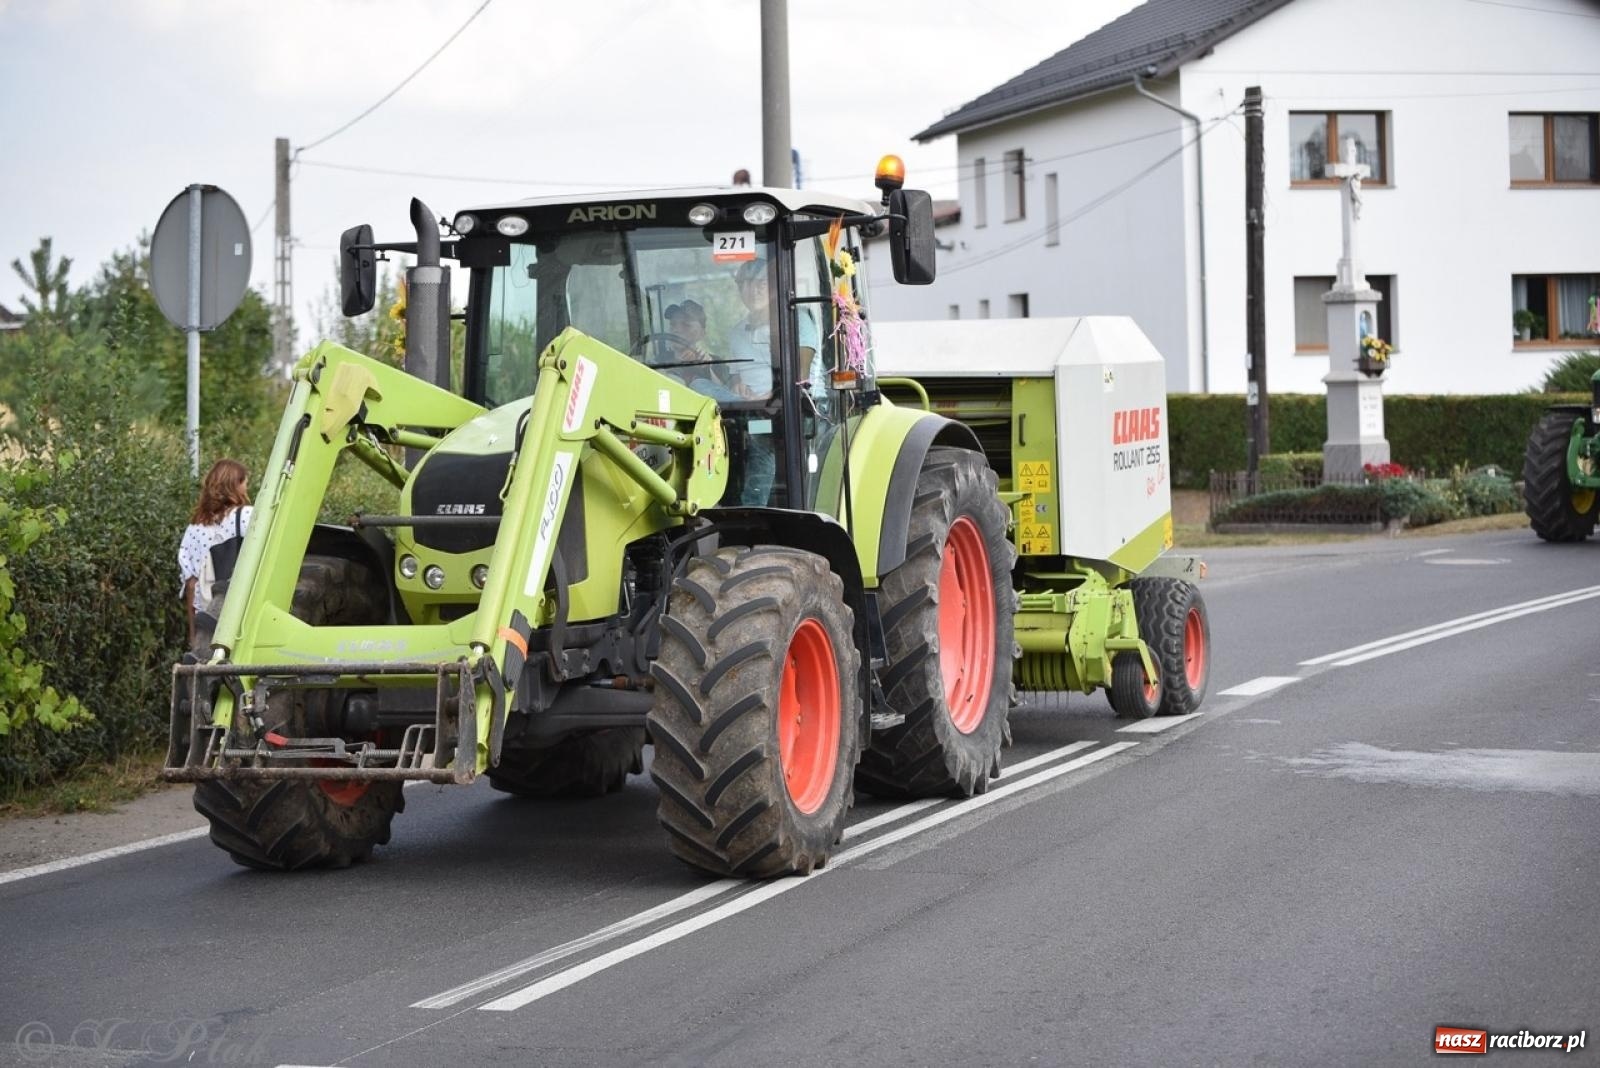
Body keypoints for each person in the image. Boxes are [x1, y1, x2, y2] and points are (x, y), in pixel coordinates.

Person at [725, 257, 820, 506]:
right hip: (746, 408)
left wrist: (767, 396)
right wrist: (737, 385)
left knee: (758, 431)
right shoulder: (736, 332)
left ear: (773, 287)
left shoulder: (795, 319)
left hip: (790, 407)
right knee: (702, 392)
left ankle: (751, 508)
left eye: (761, 283)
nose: (753, 290)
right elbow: (736, 374)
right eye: (745, 284)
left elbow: (800, 375)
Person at [179, 459, 253, 645]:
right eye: (245, 482)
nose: (247, 488)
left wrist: (193, 635)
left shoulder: (194, 528)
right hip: (239, 611)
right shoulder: (247, 516)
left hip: (207, 617)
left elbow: (191, 585)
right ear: (235, 485)